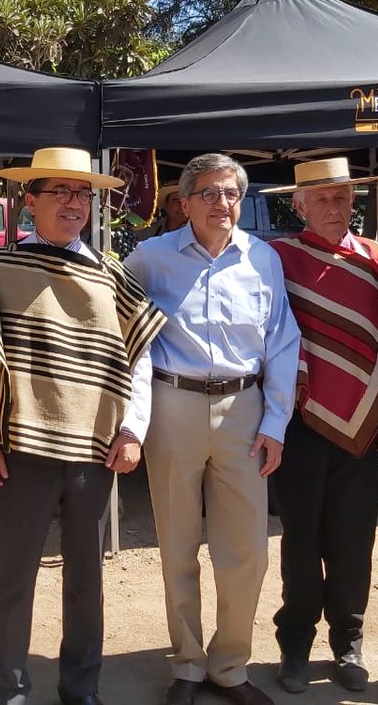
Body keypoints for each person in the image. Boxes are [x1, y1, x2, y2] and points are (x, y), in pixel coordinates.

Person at [0, 146, 166, 705]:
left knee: (86, 583)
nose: (74, 204)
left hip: (94, 451)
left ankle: (81, 688)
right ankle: (6, 686)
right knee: (12, 576)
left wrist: (133, 429)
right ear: (30, 200)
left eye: (82, 194)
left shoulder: (111, 274)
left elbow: (139, 359)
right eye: (60, 192)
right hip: (18, 450)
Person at [124, 153, 301, 705]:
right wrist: (130, 421)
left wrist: (276, 422)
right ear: (185, 202)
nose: (221, 204)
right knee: (177, 543)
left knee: (246, 550)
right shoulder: (150, 259)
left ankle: (229, 666)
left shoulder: (263, 259)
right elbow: (123, 334)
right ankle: (187, 666)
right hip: (173, 406)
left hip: (244, 411)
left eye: (230, 193)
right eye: (208, 193)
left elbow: (282, 342)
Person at [260, 158, 378, 695]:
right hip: (300, 423)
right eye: (322, 199)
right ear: (299, 204)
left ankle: (348, 641)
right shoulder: (278, 258)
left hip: (364, 427)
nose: (335, 208)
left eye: (343, 198)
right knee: (300, 540)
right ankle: (295, 644)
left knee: (353, 540)